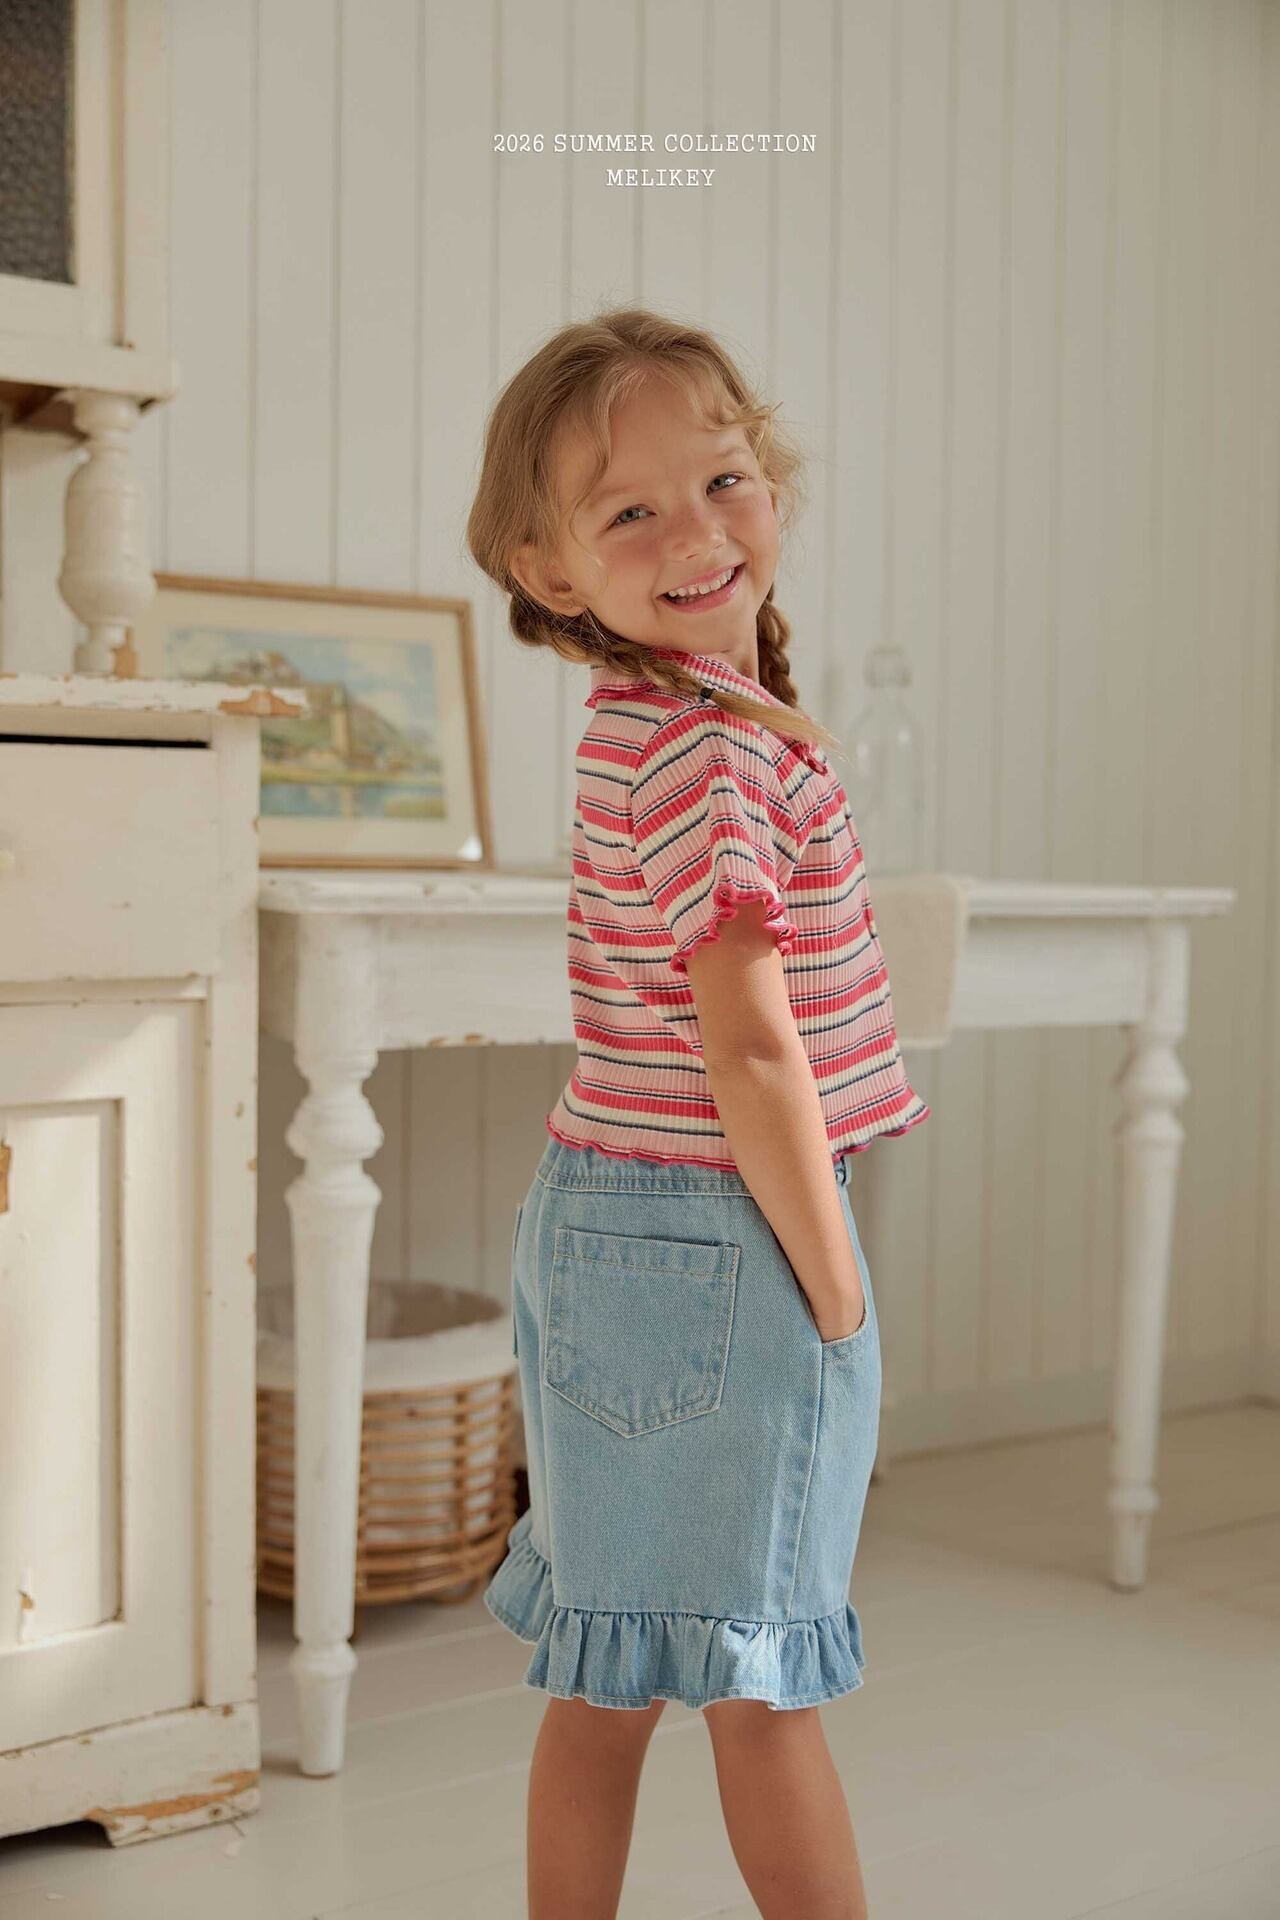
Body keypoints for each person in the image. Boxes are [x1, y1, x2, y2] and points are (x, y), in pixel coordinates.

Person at [465, 306, 930, 1919]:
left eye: (722, 480)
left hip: (618, 1221)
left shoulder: (664, 724)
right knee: (760, 1679)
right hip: (713, 1237)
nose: (695, 533)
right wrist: (838, 1286)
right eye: (631, 512)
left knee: (608, 1670)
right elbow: (753, 1052)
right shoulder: (710, 754)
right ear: (547, 568)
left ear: (771, 483)